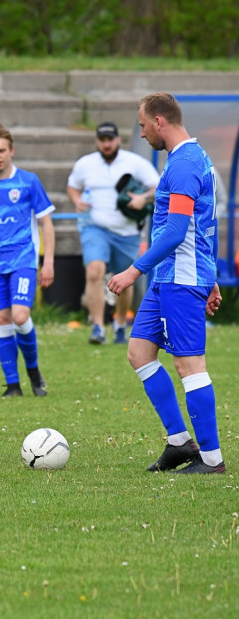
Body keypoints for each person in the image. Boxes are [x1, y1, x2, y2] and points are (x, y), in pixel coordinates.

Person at [108, 92, 225, 475]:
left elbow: (176, 231)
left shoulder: (185, 164)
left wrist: (132, 271)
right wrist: (213, 280)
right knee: (140, 353)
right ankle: (179, 442)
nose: (141, 133)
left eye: (142, 125)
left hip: (181, 277)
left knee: (189, 364)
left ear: (160, 121)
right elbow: (207, 222)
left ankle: (211, 459)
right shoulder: (188, 158)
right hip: (172, 276)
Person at [0, 121, 55, 398]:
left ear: (11, 150)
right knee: (2, 319)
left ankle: (33, 370)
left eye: (1, 150)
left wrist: (48, 261)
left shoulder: (28, 182)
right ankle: (13, 385)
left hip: (23, 260)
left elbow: (46, 224)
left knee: (20, 315)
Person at [67, 122, 161, 345]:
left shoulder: (134, 162)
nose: (107, 144)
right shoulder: (85, 164)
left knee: (123, 281)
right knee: (94, 272)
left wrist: (143, 199)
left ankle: (119, 324)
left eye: (111, 139)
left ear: (118, 140)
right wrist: (76, 200)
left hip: (126, 231)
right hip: (95, 227)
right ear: (98, 142)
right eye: (103, 140)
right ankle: (98, 327)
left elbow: (158, 186)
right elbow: (72, 186)